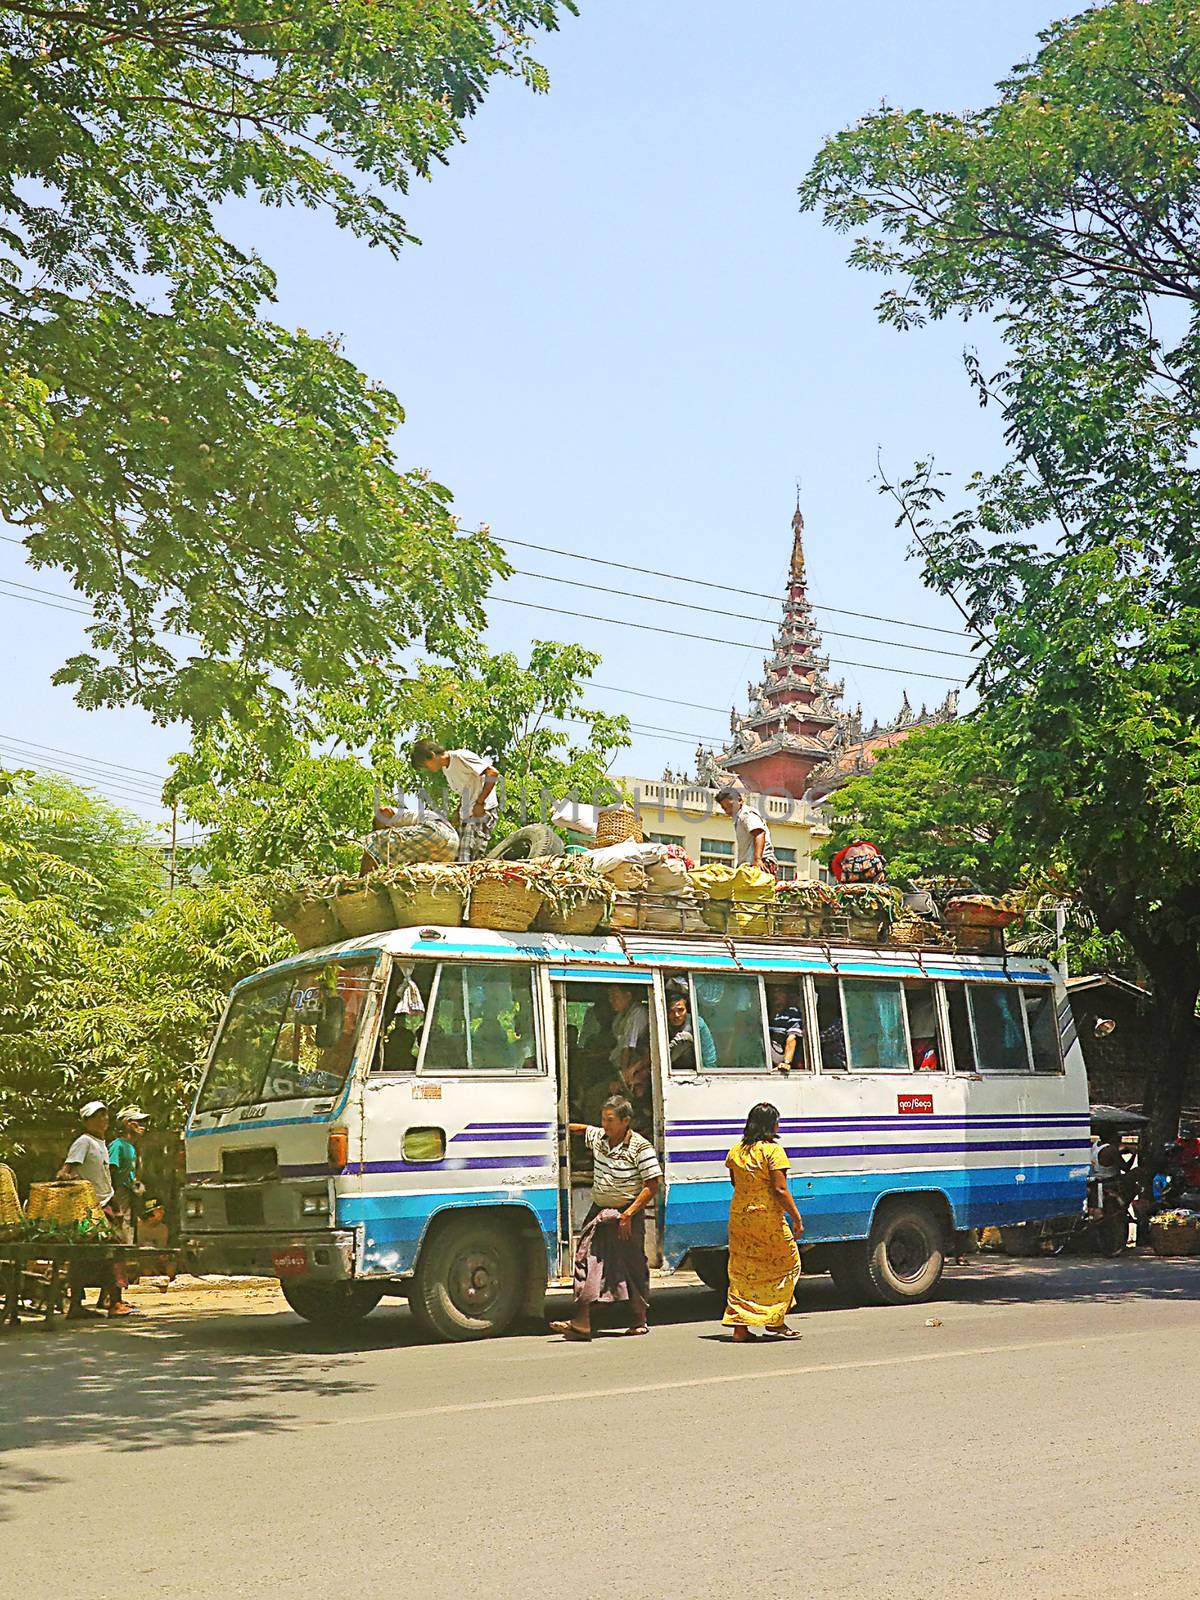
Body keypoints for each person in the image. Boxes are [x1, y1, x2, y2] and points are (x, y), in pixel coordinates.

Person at [550, 1095, 662, 1341]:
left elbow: (652, 1185)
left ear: (625, 1121)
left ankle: (639, 1319)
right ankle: (582, 1320)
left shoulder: (640, 1147)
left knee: (632, 1265)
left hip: (627, 1213)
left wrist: (628, 1215)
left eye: (610, 1120)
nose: (606, 1125)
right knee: (587, 1260)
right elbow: (582, 1129)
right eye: (603, 1119)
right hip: (599, 1212)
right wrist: (549, 1124)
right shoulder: (599, 1138)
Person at [723, 1102, 803, 1343]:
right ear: (771, 1125)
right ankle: (774, 1319)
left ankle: (740, 1327)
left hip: (739, 1217)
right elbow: (779, 1189)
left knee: (743, 1270)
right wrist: (797, 1218)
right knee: (787, 1265)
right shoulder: (773, 1151)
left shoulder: (736, 1150)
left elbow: (735, 1183)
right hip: (766, 1218)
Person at [58, 1101, 134, 1318]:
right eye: (96, 1117)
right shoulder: (84, 1142)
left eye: (104, 1115)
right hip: (93, 1208)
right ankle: (114, 1302)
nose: (102, 1120)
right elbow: (65, 1171)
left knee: (91, 1256)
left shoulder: (101, 1143)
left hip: (106, 1203)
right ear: (86, 1121)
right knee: (114, 1251)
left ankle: (92, 1303)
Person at [410, 738, 499, 861]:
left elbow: (492, 773)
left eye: (425, 765)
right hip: (466, 815)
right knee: (455, 857)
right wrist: (458, 811)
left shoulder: (460, 757)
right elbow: (466, 790)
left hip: (481, 812)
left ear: (431, 755)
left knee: (465, 860)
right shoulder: (446, 770)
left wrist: (480, 803)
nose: (428, 769)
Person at [108, 1106, 148, 1246]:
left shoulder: (132, 1147)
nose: (142, 1126)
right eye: (138, 1122)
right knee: (119, 1226)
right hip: (118, 1193)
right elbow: (110, 1171)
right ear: (127, 1123)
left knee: (129, 1225)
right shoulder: (118, 1145)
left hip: (129, 1193)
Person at [715, 786, 777, 875]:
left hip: (760, 864)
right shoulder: (739, 818)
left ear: (739, 800)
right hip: (748, 866)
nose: (728, 811)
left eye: (730, 806)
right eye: (725, 808)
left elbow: (759, 833)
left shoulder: (747, 814)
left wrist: (757, 859)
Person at [666, 984, 717, 1072]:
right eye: (671, 1011)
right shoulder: (662, 1024)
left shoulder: (697, 1023)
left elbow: (709, 1057)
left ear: (687, 1008)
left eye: (680, 1010)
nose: (676, 1015)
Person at [766, 983, 805, 1073]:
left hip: (780, 1056)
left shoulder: (792, 1013)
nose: (775, 995)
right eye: (774, 992)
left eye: (779, 992)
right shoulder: (764, 1012)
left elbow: (792, 1038)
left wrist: (786, 1062)